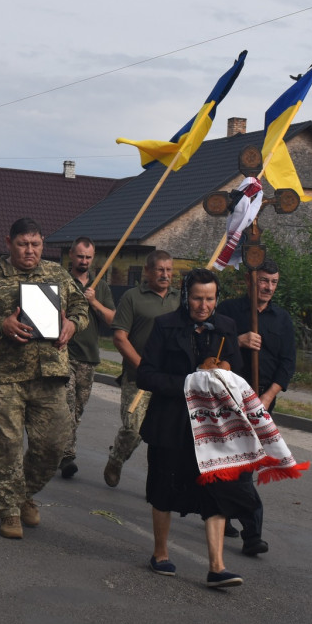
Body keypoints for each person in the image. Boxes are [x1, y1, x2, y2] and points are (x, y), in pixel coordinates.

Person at [0, 217, 89, 539]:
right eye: (22, 244)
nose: (29, 251)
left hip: (51, 376)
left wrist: (72, 324)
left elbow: (81, 307)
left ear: (43, 243)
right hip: (6, 378)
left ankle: (22, 493)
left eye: (35, 244)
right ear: (9, 242)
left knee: (54, 445)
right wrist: (1, 324)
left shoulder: (57, 274)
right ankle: (9, 511)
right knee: (7, 447)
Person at [137, 268, 254, 588]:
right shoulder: (164, 326)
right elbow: (146, 375)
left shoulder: (227, 328)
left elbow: (237, 373)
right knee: (163, 487)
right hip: (170, 423)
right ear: (186, 296)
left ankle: (217, 566)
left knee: (215, 491)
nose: (204, 305)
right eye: (198, 298)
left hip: (211, 426)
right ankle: (160, 554)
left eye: (211, 299)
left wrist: (225, 375)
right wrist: (189, 383)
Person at [216, 259, 296, 557]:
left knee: (247, 462)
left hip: (261, 402)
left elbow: (288, 364)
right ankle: (220, 512)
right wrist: (239, 340)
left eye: (274, 282)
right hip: (227, 398)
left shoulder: (282, 319)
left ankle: (251, 532)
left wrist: (269, 396)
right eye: (264, 280)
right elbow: (211, 348)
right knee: (226, 459)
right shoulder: (228, 311)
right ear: (251, 281)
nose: (268, 287)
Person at [103, 250, 179, 488]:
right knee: (134, 429)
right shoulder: (132, 297)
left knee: (166, 434)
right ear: (147, 271)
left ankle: (159, 480)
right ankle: (117, 457)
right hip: (139, 378)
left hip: (170, 380)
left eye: (169, 270)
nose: (165, 275)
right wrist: (144, 368)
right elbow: (119, 338)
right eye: (160, 270)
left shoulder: (180, 299)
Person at [61, 237, 116, 479]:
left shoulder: (100, 285)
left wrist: (93, 301)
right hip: (62, 352)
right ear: (71, 255)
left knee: (77, 411)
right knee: (67, 405)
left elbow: (112, 319)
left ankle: (57, 447)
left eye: (88, 257)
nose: (84, 261)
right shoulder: (61, 280)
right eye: (80, 256)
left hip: (89, 356)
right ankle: (67, 456)